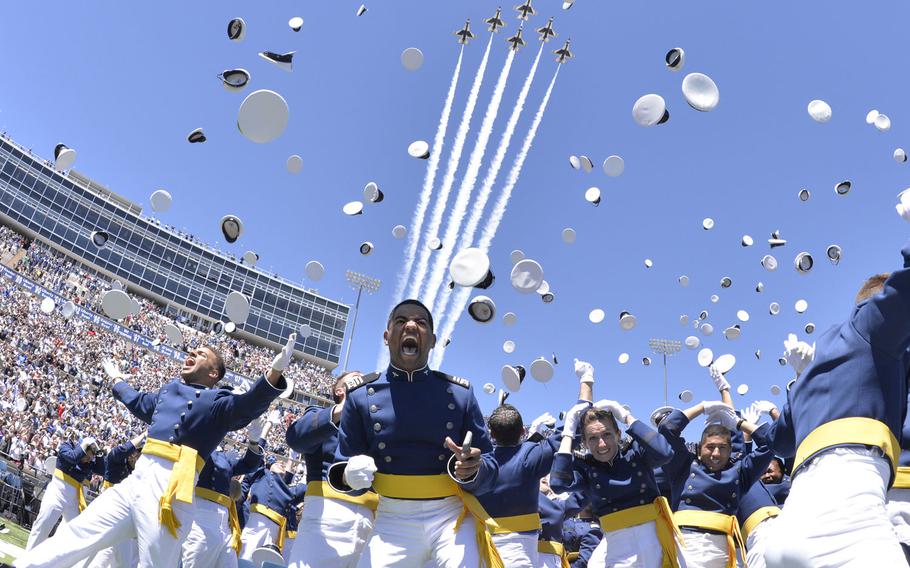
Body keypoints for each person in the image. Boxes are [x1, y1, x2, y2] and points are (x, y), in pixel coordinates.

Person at [17, 337, 295, 568]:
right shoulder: (168, 391)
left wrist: (272, 374)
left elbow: (246, 406)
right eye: (192, 350)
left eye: (201, 354)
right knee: (79, 533)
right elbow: (138, 401)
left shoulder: (218, 402)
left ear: (213, 373)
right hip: (138, 479)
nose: (191, 353)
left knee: (156, 563)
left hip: (170, 489)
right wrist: (116, 380)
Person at [327, 299, 500, 568]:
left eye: (421, 322)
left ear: (431, 340)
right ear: (387, 337)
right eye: (401, 321)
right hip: (391, 518)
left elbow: (490, 463)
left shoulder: (461, 393)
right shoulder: (360, 395)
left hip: (451, 516)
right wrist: (349, 475)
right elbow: (341, 463)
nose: (410, 325)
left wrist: (472, 468)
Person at [764, 253, 910, 567]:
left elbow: (780, 442)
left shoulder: (816, 363)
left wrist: (800, 380)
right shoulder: (870, 328)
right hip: (846, 523)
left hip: (786, 533)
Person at [659, 399, 772, 568]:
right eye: (710, 447)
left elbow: (771, 443)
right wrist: (702, 407)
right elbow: (667, 429)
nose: (716, 453)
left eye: (723, 447)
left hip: (722, 549)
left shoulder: (741, 472)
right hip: (685, 546)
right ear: (699, 448)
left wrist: (739, 423)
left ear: (730, 449)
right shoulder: (683, 467)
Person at [285, 371, 378, 568]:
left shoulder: (375, 428)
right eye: (356, 378)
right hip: (326, 516)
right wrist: (344, 409)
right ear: (339, 390)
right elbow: (296, 438)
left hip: (371, 521)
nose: (363, 380)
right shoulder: (321, 415)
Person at [474, 405, 559, 567]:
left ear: (492, 434)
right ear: (522, 431)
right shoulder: (530, 459)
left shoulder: (480, 463)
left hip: (483, 548)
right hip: (519, 554)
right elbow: (570, 436)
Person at [181, 418, 265, 568]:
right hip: (201, 515)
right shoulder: (198, 445)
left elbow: (249, 465)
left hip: (225, 520)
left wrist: (254, 442)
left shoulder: (225, 457)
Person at [25, 436, 104, 551]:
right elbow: (72, 458)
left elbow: (101, 470)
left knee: (74, 533)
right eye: (87, 455)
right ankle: (28, 558)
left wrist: (99, 453)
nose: (89, 459)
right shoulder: (66, 447)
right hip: (58, 491)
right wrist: (84, 446)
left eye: (91, 457)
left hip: (75, 498)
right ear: (83, 448)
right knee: (44, 523)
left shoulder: (89, 460)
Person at [84, 432, 146, 568]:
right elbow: (119, 451)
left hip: (123, 518)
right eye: (137, 453)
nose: (138, 457)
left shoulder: (137, 473)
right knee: (96, 552)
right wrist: (143, 436)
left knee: (121, 559)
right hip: (108, 509)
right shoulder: (116, 461)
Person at [238, 457, 307, 560]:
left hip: (276, 532)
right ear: (269, 467)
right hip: (257, 524)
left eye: (283, 465)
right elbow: (251, 468)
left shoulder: (289, 490)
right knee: (245, 557)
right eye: (278, 463)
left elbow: (304, 489)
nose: (282, 464)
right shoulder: (262, 474)